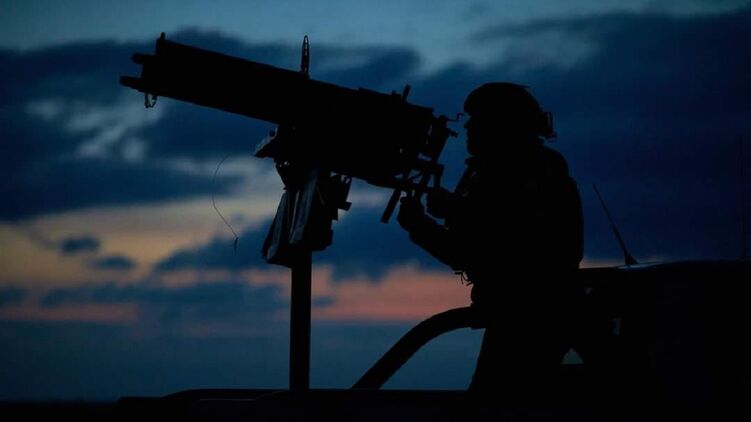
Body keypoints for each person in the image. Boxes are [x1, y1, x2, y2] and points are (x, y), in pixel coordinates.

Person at [397, 82, 584, 398]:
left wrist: (422, 226)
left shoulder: (515, 176)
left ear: (501, 127)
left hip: (525, 321)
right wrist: (452, 212)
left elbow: (485, 251)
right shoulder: (537, 171)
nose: (468, 127)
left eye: (479, 120)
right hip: (533, 317)